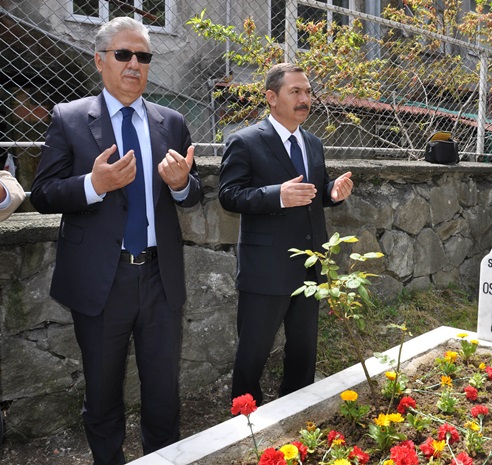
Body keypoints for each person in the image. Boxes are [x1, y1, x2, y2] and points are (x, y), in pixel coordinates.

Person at [30, 17, 201, 465]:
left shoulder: (172, 122)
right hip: (101, 281)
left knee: (163, 390)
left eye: (143, 56)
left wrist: (181, 184)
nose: (134, 64)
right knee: (103, 392)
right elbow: (43, 194)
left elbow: (193, 193)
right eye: (123, 54)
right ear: (99, 60)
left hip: (160, 277)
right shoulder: (70, 118)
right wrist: (94, 184)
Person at [219, 63, 354, 406]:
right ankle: (244, 420)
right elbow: (229, 195)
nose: (304, 98)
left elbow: (314, 192)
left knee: (304, 351)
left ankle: (296, 412)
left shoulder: (313, 143)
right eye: (295, 91)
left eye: (307, 91)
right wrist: (276, 195)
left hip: (310, 266)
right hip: (265, 269)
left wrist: (332, 193)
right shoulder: (245, 141)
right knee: (252, 353)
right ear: (271, 97)